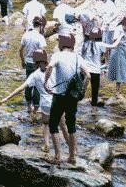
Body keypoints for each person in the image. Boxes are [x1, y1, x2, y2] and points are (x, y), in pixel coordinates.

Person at [1, 50, 71, 153]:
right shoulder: (55, 69)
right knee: (63, 126)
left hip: (46, 104)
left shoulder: (35, 75)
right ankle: (71, 147)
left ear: (36, 62)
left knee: (46, 124)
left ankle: (47, 145)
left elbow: (21, 88)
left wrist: (7, 98)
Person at [44, 34, 88, 165]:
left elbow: (49, 67)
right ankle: (72, 157)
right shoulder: (77, 57)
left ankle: (58, 157)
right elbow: (89, 76)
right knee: (71, 126)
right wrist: (82, 92)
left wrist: (46, 82)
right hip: (72, 97)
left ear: (61, 44)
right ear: (72, 45)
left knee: (53, 124)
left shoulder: (57, 55)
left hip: (59, 96)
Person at [18, 18, 47, 117]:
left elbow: (20, 50)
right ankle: (36, 107)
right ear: (40, 26)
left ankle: (28, 106)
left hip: (29, 63)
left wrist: (22, 61)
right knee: (37, 86)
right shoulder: (40, 37)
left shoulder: (25, 35)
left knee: (28, 84)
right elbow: (43, 52)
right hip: (38, 64)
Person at [105, 16, 126, 95]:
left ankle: (119, 90)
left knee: (123, 69)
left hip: (123, 50)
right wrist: (121, 36)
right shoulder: (118, 29)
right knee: (119, 70)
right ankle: (117, 91)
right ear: (125, 24)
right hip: (117, 50)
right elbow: (115, 40)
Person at [80, 29, 105, 108]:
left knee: (79, 88)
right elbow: (105, 51)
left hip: (85, 69)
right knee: (95, 91)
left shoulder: (86, 44)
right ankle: (94, 109)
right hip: (95, 71)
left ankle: (74, 104)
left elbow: (81, 56)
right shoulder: (100, 44)